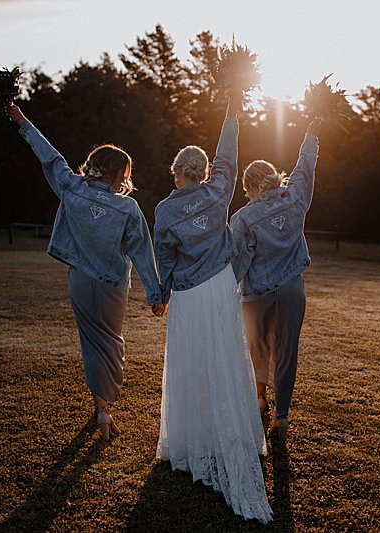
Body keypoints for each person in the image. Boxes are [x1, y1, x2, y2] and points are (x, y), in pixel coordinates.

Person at [4, 102, 165, 440]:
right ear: (119, 174)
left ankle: (102, 410)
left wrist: (21, 120)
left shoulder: (73, 187)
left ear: (95, 167)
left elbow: (50, 157)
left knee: (92, 343)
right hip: (113, 286)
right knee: (111, 344)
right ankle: (103, 409)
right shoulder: (127, 207)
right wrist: (155, 294)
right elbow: (142, 251)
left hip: (80, 280)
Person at [153, 94, 273, 524]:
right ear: (203, 173)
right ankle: (225, 434)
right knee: (224, 357)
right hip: (221, 286)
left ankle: (190, 440)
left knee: (190, 363)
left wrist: (160, 294)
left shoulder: (165, 210)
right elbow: (228, 158)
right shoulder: (220, 189)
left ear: (176, 172)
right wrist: (230, 115)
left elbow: (164, 259)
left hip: (186, 292)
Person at [230, 118, 321, 440]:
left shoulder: (243, 217)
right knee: (287, 350)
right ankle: (281, 416)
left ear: (250, 186)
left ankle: (259, 399)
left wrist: (226, 292)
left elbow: (239, 262)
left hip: (257, 294)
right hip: (292, 288)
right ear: (273, 178)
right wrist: (311, 132)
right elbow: (304, 166)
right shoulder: (295, 197)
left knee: (257, 348)